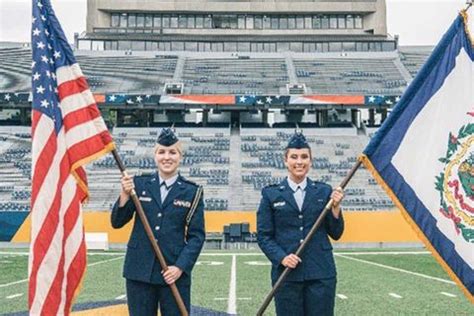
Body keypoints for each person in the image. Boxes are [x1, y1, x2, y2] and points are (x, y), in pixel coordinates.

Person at [111, 128, 205, 316]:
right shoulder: (139, 184)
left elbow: (197, 236)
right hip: (139, 271)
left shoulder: (192, 191)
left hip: (172, 273)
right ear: (155, 155)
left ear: (180, 156)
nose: (167, 157)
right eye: (161, 152)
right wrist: (124, 194)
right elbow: (117, 222)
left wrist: (179, 267)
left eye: (172, 152)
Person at [257, 130, 345, 316]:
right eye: (294, 157)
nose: (299, 161)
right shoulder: (270, 194)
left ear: (310, 162)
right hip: (287, 274)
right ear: (285, 160)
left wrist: (336, 208)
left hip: (321, 273)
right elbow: (264, 236)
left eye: (304, 157)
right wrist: (282, 257)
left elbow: (336, 233)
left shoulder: (323, 191)